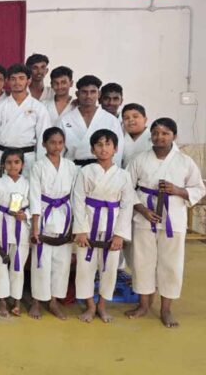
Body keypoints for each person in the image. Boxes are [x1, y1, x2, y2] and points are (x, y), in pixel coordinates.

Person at [127, 118, 205, 328]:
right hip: (145, 217)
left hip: (174, 218)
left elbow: (199, 188)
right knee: (142, 261)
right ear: (150, 136)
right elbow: (127, 188)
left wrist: (177, 190)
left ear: (174, 136)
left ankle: (166, 309)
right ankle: (143, 305)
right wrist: (142, 210)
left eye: (165, 133)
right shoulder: (139, 159)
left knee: (171, 264)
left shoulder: (184, 161)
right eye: (156, 133)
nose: (160, 137)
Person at [72, 129, 135, 323]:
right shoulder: (85, 171)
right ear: (92, 149)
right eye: (99, 145)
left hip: (112, 225)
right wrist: (81, 230)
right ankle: (90, 306)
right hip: (89, 223)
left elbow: (126, 206)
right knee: (85, 267)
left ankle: (102, 306)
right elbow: (78, 200)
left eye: (108, 144)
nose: (103, 148)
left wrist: (119, 235)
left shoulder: (123, 175)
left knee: (109, 267)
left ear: (115, 148)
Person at [28, 128, 78, 320]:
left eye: (60, 142)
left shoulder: (71, 167)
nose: (56, 147)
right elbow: (33, 196)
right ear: (44, 145)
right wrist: (34, 226)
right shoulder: (38, 166)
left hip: (65, 214)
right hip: (44, 214)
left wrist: (75, 223)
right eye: (52, 143)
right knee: (41, 261)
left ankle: (54, 301)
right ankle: (36, 301)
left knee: (62, 263)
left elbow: (75, 196)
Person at [0, 64, 50, 178]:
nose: (17, 82)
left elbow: (43, 138)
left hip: (27, 158)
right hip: (3, 156)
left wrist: (42, 163)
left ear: (28, 80)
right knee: (2, 192)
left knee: (26, 192)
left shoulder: (38, 108)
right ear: (8, 81)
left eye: (21, 78)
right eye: (13, 79)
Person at [0, 149, 31, 318]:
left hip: (21, 229)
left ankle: (17, 299)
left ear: (22, 165)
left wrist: (25, 215)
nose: (13, 166)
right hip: (1, 225)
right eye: (9, 162)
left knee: (18, 266)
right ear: (3, 165)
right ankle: (2, 300)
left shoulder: (27, 184)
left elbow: (34, 206)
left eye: (16, 162)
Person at [59, 75, 124, 167]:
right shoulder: (65, 119)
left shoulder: (111, 120)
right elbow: (59, 150)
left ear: (99, 94)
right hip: (72, 168)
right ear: (77, 94)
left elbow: (117, 151)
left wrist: (111, 172)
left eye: (93, 92)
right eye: (84, 92)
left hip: (102, 168)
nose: (88, 96)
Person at [121, 103, 151, 169]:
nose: (131, 120)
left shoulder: (154, 137)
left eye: (135, 116)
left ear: (145, 119)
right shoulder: (121, 137)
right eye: (126, 118)